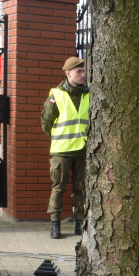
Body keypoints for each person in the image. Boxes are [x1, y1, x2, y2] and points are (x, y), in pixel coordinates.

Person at [41, 56, 90, 239]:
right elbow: (46, 122)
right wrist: (58, 138)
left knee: (81, 188)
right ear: (68, 73)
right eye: (79, 72)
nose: (83, 75)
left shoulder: (88, 94)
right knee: (58, 188)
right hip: (61, 150)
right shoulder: (57, 94)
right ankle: (55, 224)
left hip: (82, 149)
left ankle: (79, 222)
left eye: (84, 71)